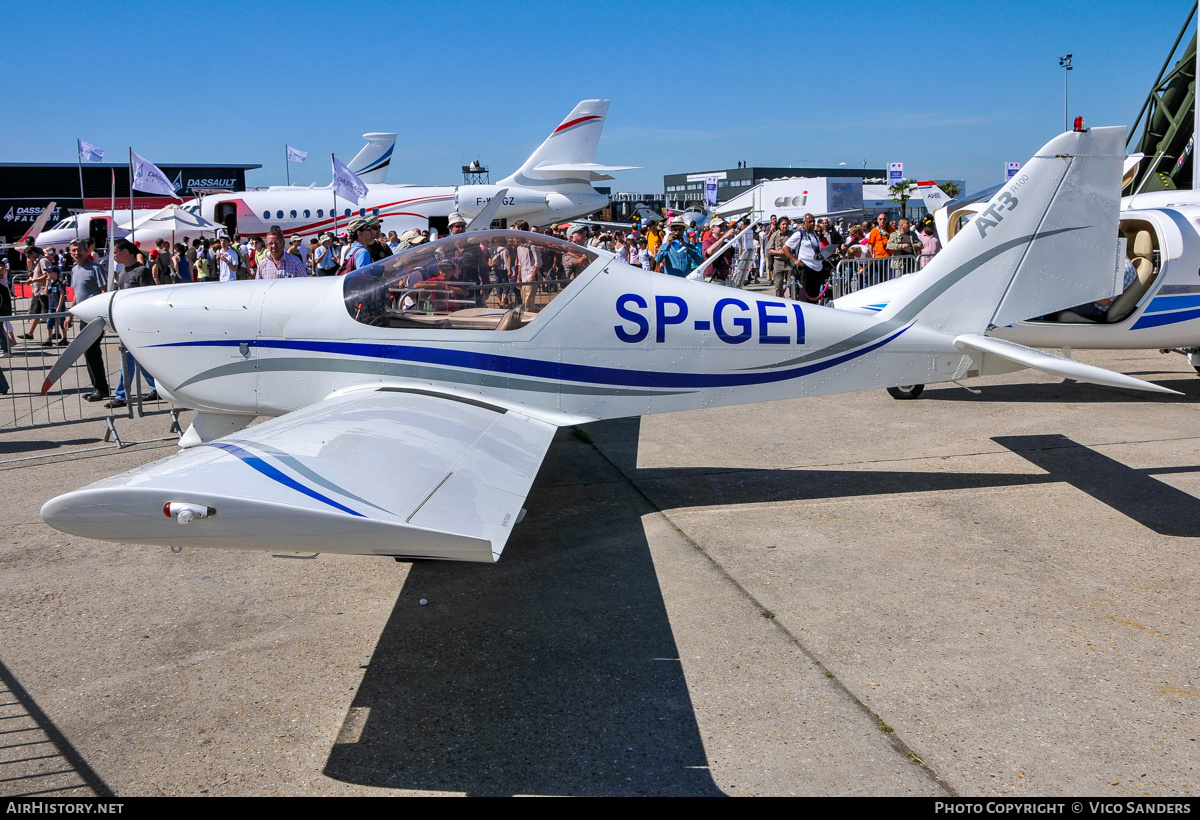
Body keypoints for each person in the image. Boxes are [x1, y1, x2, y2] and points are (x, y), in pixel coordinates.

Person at [108, 239, 157, 408]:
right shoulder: (121, 272)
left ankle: (121, 395)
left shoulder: (142, 271)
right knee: (135, 358)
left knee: (129, 359)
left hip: (139, 325)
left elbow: (148, 297)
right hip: (125, 324)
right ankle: (155, 387)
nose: (113, 255)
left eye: (115, 252)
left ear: (125, 252)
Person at [67, 239, 109, 401]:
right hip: (83, 317)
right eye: (73, 251)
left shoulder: (95, 268)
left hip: (94, 317)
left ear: (86, 251)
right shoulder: (74, 270)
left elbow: (104, 291)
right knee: (88, 352)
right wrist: (70, 315)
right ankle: (97, 387)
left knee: (92, 350)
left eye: (79, 250)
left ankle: (101, 389)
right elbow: (77, 294)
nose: (76, 253)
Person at [783, 213, 826, 301]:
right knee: (805, 296)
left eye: (813, 221)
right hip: (806, 268)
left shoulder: (814, 234)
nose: (812, 223)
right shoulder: (799, 234)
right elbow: (785, 247)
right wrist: (795, 260)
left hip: (817, 268)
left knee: (814, 295)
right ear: (804, 223)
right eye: (810, 222)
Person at [702, 217, 736, 285]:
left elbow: (736, 254)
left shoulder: (725, 244)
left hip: (725, 279)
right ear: (712, 229)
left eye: (723, 226)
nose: (723, 228)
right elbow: (710, 252)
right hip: (714, 279)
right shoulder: (708, 242)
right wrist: (724, 237)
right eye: (720, 226)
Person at [766, 216, 793, 297]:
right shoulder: (774, 235)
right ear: (779, 225)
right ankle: (780, 300)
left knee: (792, 284)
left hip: (789, 262)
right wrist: (779, 252)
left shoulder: (792, 234)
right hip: (778, 262)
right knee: (778, 285)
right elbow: (770, 250)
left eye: (786, 224)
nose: (785, 226)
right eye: (783, 224)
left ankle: (793, 300)